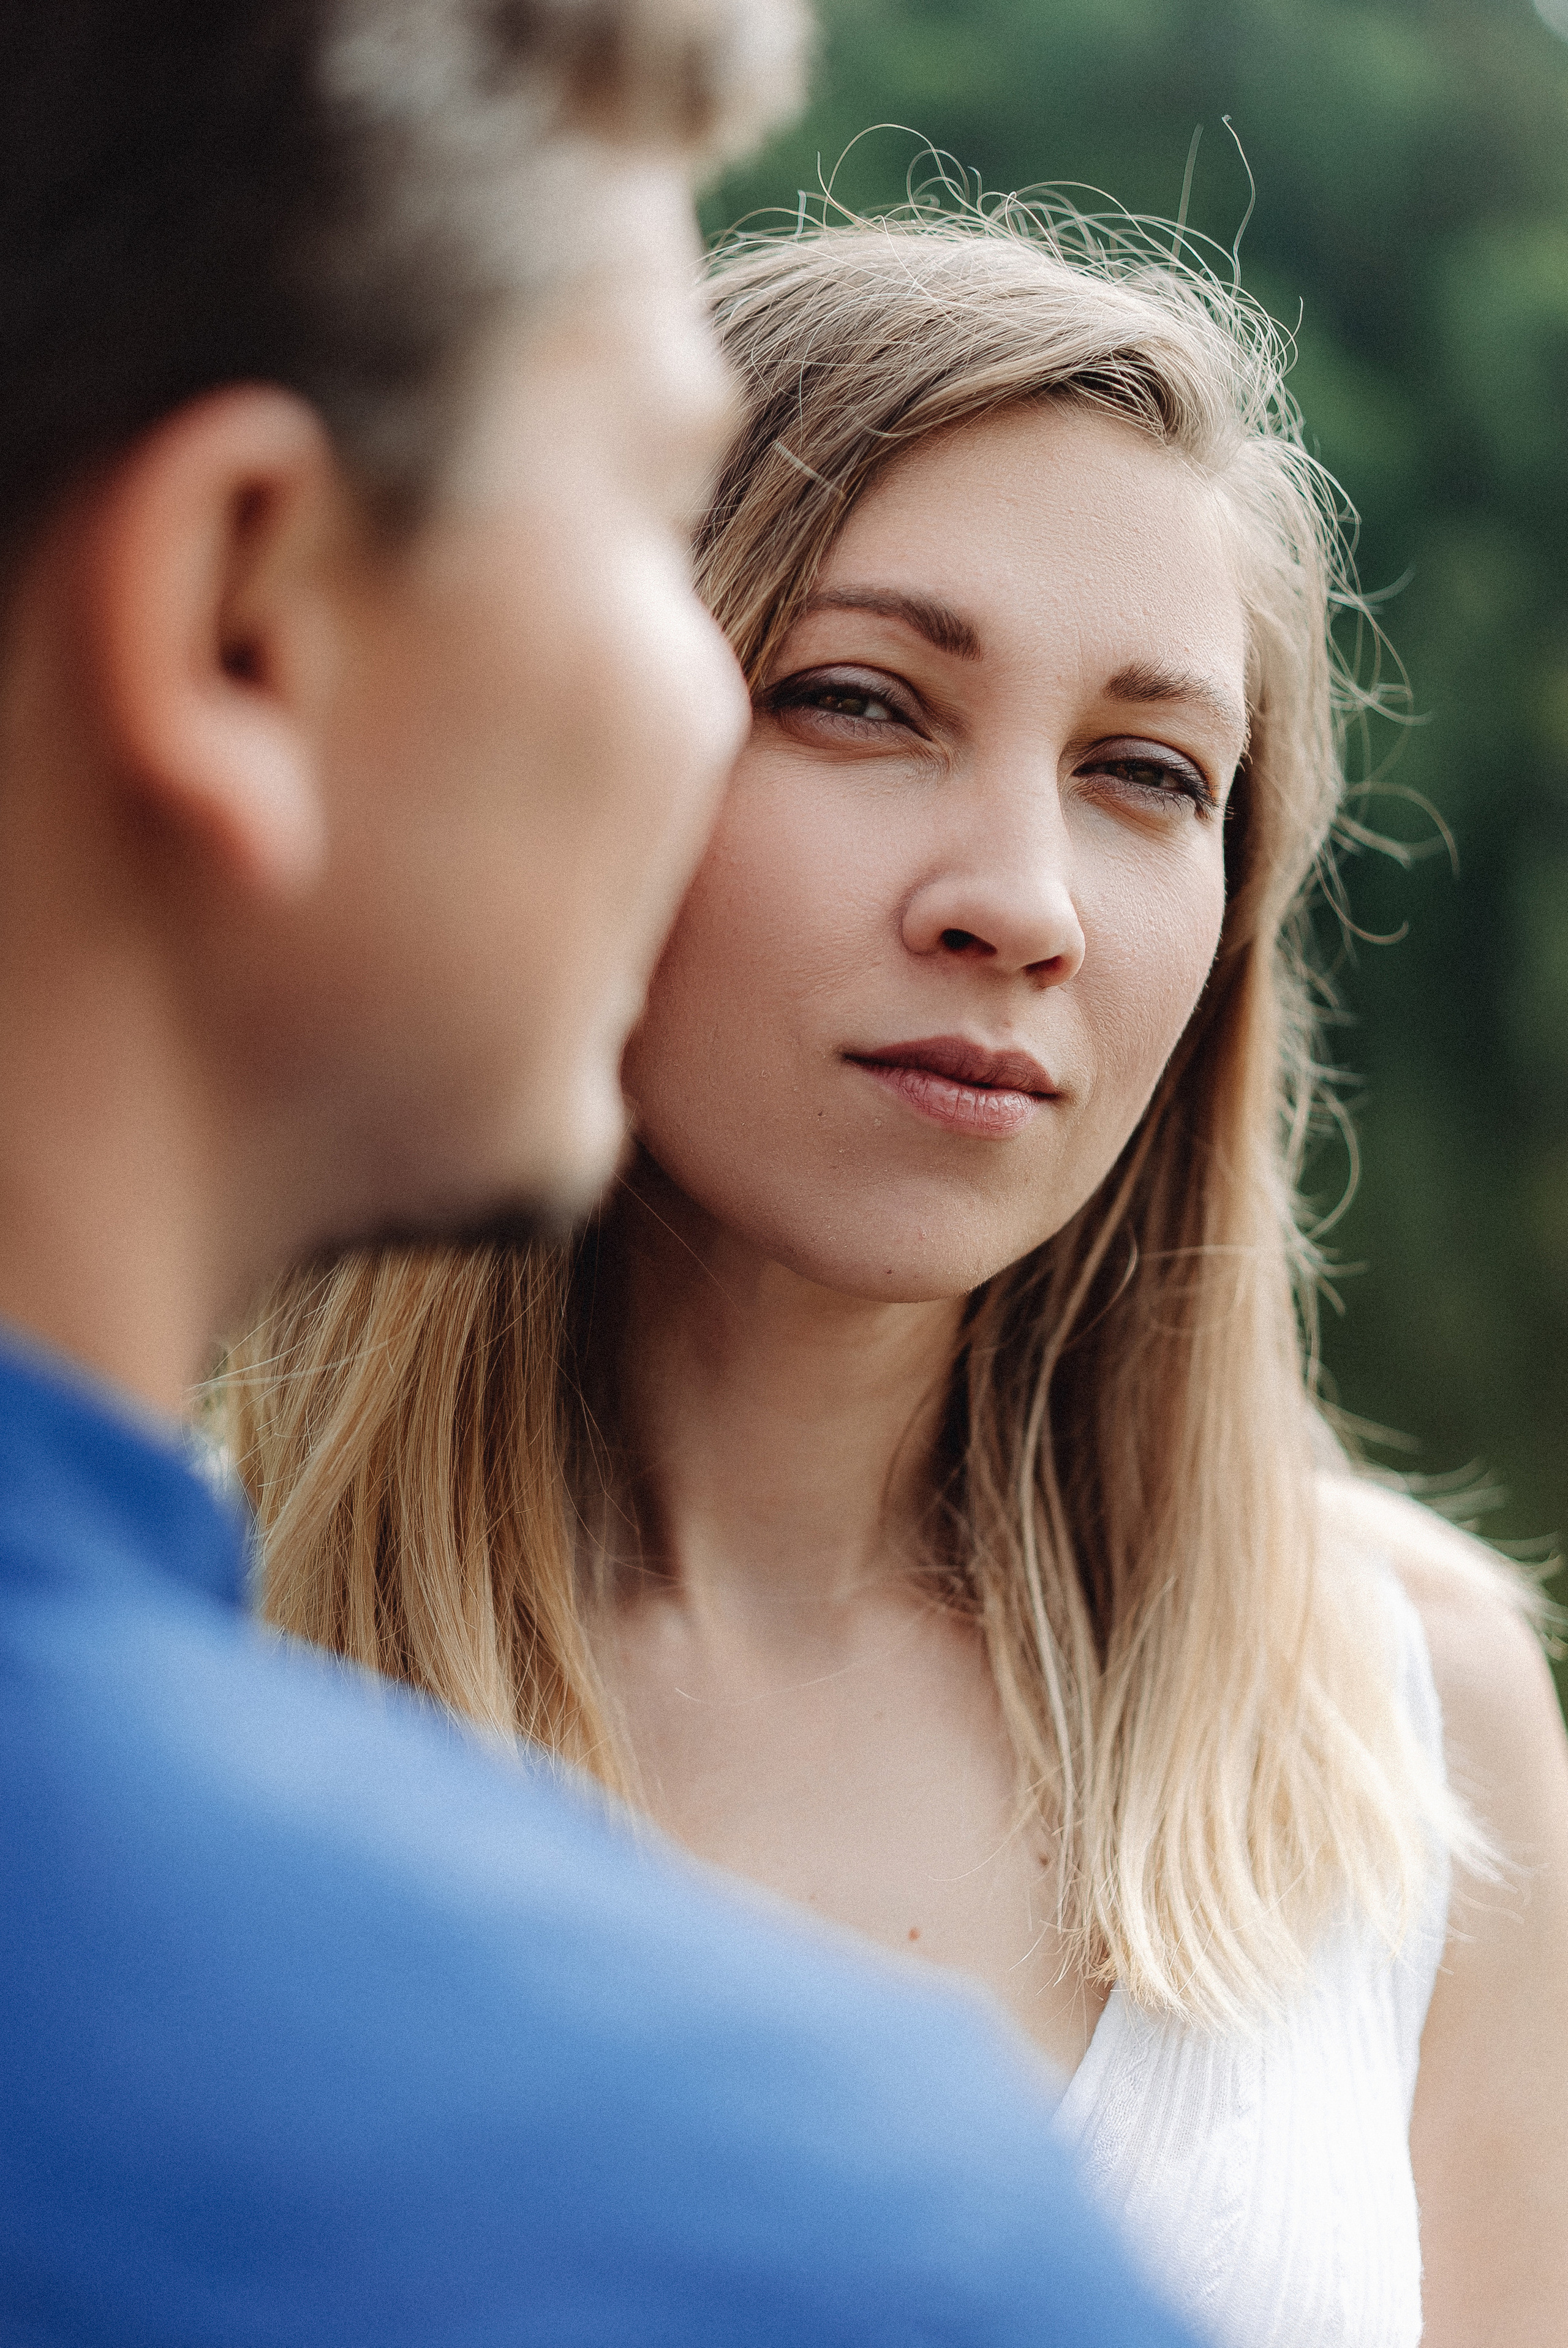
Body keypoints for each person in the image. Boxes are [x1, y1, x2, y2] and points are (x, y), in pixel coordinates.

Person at [227, 201, 1568, 2348]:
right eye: (861, 701)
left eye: (1146, 772)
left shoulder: (1414, 1728)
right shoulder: (178, 1682)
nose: (1023, 900)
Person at [0, 10, 1204, 2342]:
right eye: (664, 531)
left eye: (1155, 769)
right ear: (239, 612)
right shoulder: (833, 2240)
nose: (1021, 901)